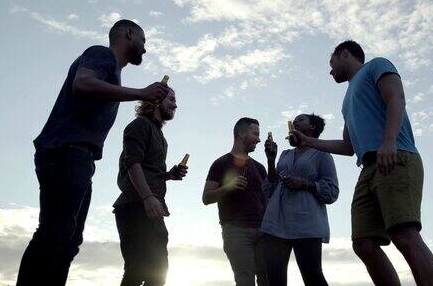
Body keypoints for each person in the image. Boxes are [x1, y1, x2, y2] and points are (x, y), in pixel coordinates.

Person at [17, 20, 169, 286]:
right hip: (66, 151)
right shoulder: (101, 54)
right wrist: (141, 93)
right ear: (128, 34)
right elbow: (83, 83)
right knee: (56, 233)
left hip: (80, 159)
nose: (145, 49)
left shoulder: (115, 73)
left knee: (69, 238)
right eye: (143, 41)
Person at [290, 40, 433, 286]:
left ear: (345, 53)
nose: (330, 71)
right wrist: (308, 142)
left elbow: (396, 97)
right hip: (368, 168)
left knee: (404, 234)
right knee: (363, 243)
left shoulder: (376, 66)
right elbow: (348, 146)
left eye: (332, 64)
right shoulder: (346, 100)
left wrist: (389, 140)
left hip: (396, 156)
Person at [113, 87, 187, 286]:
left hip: (153, 209)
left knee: (158, 274)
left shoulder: (160, 136)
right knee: (136, 271)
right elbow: (132, 163)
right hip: (135, 207)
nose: (175, 104)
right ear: (156, 100)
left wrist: (169, 175)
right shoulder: (139, 126)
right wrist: (147, 197)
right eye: (171, 99)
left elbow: (147, 171)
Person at [262, 113, 339, 286]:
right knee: (274, 279)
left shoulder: (322, 154)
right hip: (276, 222)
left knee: (312, 277)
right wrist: (271, 160)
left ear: (312, 127)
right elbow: (270, 189)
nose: (295, 121)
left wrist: (305, 184)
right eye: (294, 120)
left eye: (301, 119)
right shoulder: (285, 154)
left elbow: (332, 192)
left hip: (307, 224)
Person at [202, 118, 269, 286]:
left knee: (267, 280)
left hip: (264, 231)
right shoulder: (220, 164)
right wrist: (228, 187)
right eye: (255, 134)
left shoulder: (260, 168)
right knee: (245, 281)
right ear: (241, 133)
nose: (259, 139)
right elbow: (206, 198)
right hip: (236, 232)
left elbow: (267, 198)